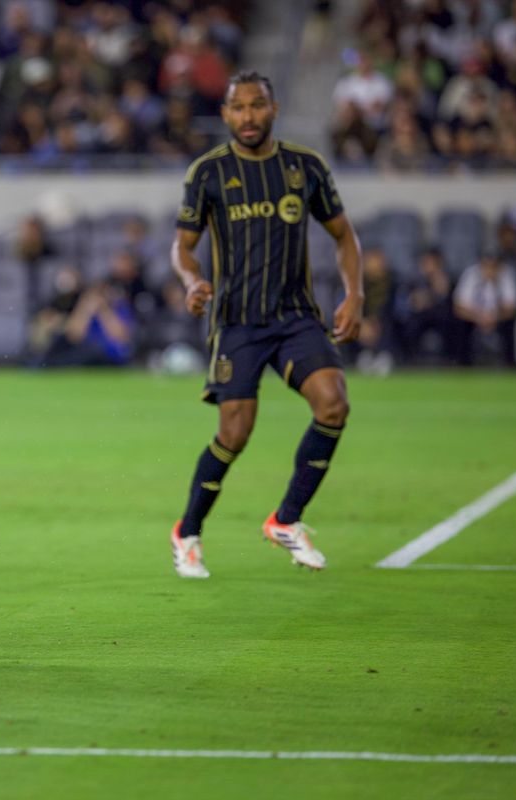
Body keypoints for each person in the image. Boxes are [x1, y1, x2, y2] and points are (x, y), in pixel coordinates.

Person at [170, 71, 362, 579]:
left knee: (333, 403)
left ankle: (286, 520)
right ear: (226, 114)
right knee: (234, 434)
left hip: (296, 316)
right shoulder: (208, 173)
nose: (248, 116)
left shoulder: (305, 167)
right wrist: (192, 281)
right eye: (238, 108)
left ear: (273, 109)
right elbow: (182, 246)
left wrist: (354, 293)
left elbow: (344, 236)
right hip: (237, 322)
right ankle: (188, 532)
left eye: (257, 106)